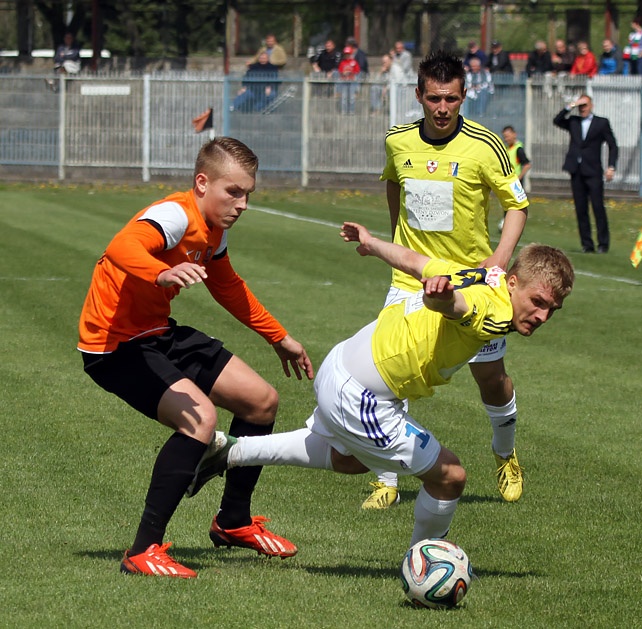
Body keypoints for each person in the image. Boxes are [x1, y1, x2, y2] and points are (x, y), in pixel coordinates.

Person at [188, 222, 575, 549]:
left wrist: (371, 244)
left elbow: (414, 261)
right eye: (537, 301)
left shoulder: (476, 273)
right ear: (512, 283)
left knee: (353, 459)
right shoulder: (492, 311)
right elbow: (458, 307)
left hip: (340, 365)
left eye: (552, 310)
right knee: (450, 476)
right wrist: (440, 299)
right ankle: (425, 562)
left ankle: (230, 451)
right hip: (362, 397)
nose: (541, 315)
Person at [76, 137, 315, 578]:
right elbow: (121, 246)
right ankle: (143, 550)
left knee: (261, 401)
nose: (242, 204)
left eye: (248, 194)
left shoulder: (214, 230)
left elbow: (227, 286)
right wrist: (161, 271)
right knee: (200, 421)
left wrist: (278, 337)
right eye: (234, 192)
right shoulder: (173, 215)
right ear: (202, 183)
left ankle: (233, 522)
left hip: (158, 332)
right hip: (113, 345)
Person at [369, 50, 531, 510]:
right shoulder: (397, 141)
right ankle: (386, 479)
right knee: (388, 376)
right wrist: (404, 249)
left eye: (453, 99)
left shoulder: (486, 145)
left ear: (464, 96)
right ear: (419, 95)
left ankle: (505, 455)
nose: (443, 108)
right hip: (410, 281)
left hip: (472, 282)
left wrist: (499, 259)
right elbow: (394, 184)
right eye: (435, 98)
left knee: (491, 380)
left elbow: (516, 205)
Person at [553, 94, 619, 253]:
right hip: (576, 170)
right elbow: (557, 120)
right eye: (581, 106)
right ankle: (587, 244)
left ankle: (603, 244)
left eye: (585, 105)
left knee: (598, 207)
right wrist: (571, 105)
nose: (583, 109)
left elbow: (613, 145)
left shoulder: (601, 123)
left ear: (591, 106)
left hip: (593, 170)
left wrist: (611, 166)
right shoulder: (574, 121)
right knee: (580, 209)